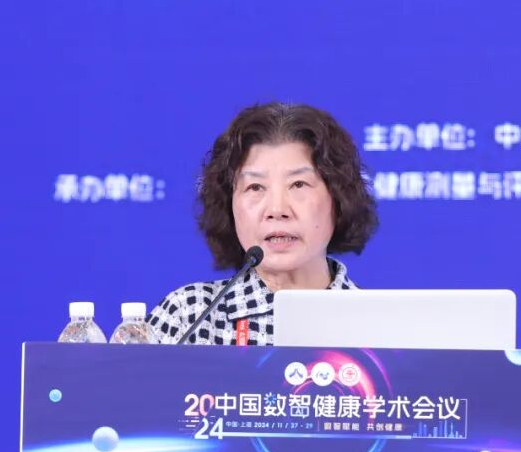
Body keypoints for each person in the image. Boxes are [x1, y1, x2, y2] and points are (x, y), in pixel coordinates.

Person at [147, 102, 379, 345]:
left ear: (339, 197)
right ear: (229, 204)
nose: (277, 210)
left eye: (298, 184)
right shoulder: (188, 318)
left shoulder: (378, 325)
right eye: (255, 187)